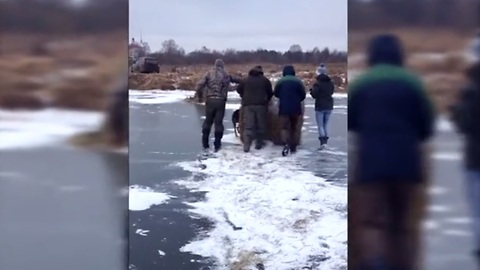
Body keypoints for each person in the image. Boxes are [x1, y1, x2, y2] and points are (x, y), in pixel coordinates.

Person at [348, 34, 435, 270]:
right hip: (408, 164)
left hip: (371, 163)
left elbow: (352, 122)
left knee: (372, 223)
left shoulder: (362, 83)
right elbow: (426, 127)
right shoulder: (413, 83)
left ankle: (376, 264)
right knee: (403, 225)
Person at [450, 56, 480, 266]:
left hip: (475, 157)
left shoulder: (470, 95)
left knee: (477, 206)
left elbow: (464, 125)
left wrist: (456, 112)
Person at [195, 58, 232, 152]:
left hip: (210, 100)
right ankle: (217, 144)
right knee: (219, 123)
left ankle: (205, 143)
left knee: (208, 121)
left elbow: (199, 85)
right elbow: (236, 81)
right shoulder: (226, 74)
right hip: (221, 101)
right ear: (222, 65)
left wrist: (199, 95)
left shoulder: (209, 73)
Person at [236, 65, 273, 152]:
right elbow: (270, 92)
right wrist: (266, 100)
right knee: (260, 125)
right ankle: (258, 144)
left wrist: (243, 95)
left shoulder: (246, 79)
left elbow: (238, 89)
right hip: (261, 105)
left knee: (249, 126)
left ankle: (246, 145)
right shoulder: (265, 80)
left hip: (248, 105)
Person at [273, 65, 306, 156]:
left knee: (284, 127)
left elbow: (276, 94)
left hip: (284, 108)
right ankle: (293, 146)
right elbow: (303, 95)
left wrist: (282, 97)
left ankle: (286, 143)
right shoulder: (298, 81)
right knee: (294, 127)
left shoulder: (280, 81)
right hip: (296, 108)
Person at [310, 64, 335, 149]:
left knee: (320, 125)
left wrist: (311, 91)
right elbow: (331, 92)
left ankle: (322, 142)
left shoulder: (317, 83)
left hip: (320, 106)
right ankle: (326, 142)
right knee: (325, 125)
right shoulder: (330, 82)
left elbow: (314, 95)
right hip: (329, 105)